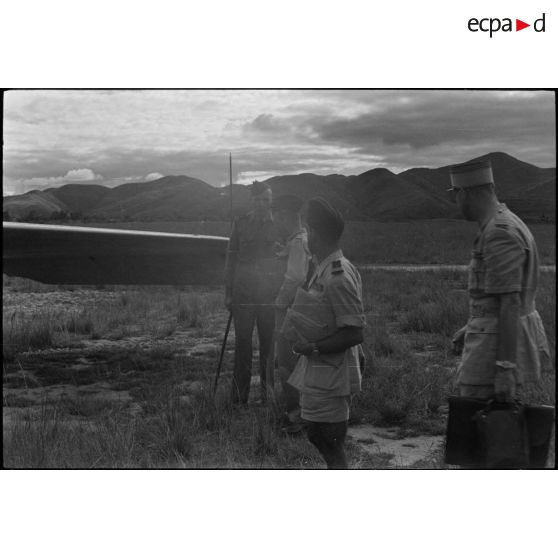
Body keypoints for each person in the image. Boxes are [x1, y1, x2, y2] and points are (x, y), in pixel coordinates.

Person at [449, 160, 551, 403]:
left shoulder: (499, 232)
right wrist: (470, 327)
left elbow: (510, 302)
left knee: (481, 424)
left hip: (493, 347)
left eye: (455, 195)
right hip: (494, 333)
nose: (456, 202)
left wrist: (505, 367)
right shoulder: (504, 222)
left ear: (464, 193)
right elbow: (499, 298)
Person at [285, 197, 365, 468]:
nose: (305, 237)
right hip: (321, 373)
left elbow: (354, 333)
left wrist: (313, 348)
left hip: (331, 376)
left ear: (316, 233)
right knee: (319, 436)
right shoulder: (323, 269)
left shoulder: (337, 276)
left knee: (328, 441)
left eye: (307, 230)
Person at [224, 181, 283, 405]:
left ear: (271, 201)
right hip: (244, 295)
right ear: (252, 201)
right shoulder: (240, 225)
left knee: (268, 345)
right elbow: (231, 261)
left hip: (269, 295)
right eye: (257, 200)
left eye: (266, 200)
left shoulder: (280, 226)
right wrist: (228, 293)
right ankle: (239, 398)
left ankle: (268, 398)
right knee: (243, 345)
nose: (261, 204)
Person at [271, 195, 312, 432]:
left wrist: (279, 302)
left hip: (290, 309)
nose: (277, 222)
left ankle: (295, 414)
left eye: (279, 218)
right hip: (301, 309)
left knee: (287, 361)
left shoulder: (298, 243)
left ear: (287, 217)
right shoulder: (300, 240)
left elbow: (296, 277)